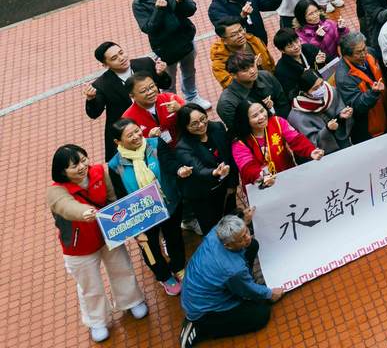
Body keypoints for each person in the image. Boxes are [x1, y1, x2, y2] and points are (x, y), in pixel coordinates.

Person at [48, 144, 148, 343]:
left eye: (83, 160)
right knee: (90, 286)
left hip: (108, 236)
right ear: (62, 171)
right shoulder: (55, 191)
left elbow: (113, 199)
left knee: (122, 269)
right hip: (79, 248)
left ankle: (132, 301)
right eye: (74, 165)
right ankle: (97, 321)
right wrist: (84, 212)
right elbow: (66, 206)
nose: (82, 167)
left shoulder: (100, 172)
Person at [108, 119, 185, 295]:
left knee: (174, 238)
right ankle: (164, 276)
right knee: (149, 247)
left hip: (169, 204)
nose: (137, 136)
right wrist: (134, 227)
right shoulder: (114, 165)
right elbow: (121, 195)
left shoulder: (156, 144)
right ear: (118, 141)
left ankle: (179, 266)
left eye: (137, 130)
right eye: (130, 135)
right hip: (142, 214)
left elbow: (170, 164)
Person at [179, 215, 282, 346]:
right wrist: (270, 294)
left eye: (246, 231)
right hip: (205, 308)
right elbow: (248, 290)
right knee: (261, 314)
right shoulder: (233, 270)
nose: (247, 237)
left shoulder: (217, 231)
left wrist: (244, 219)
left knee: (252, 245)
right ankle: (201, 327)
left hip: (199, 286)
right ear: (228, 245)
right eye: (241, 239)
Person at [86, 42, 174, 160]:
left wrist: (161, 74)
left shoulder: (145, 63)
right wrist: (90, 99)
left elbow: (165, 84)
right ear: (105, 65)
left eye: (121, 53)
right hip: (129, 132)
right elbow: (94, 113)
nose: (121, 58)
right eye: (114, 58)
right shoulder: (101, 85)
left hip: (156, 121)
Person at [132, 0, 202, 105]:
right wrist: (158, 10)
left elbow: (192, 9)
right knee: (169, 81)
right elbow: (148, 28)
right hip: (165, 48)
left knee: (189, 71)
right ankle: (172, 104)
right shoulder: (139, 3)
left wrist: (182, 1)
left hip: (186, 39)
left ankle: (192, 97)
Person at [173, 103, 239, 234]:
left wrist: (232, 184)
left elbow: (229, 156)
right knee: (213, 229)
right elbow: (198, 169)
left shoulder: (217, 128)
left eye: (203, 119)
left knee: (232, 221)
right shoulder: (183, 147)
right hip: (204, 195)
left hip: (226, 186)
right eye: (194, 124)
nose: (201, 125)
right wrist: (215, 172)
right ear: (185, 126)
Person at [231, 101, 322, 187]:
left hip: (287, 176)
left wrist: (311, 151)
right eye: (255, 116)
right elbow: (247, 167)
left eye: (262, 111)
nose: (262, 116)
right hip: (261, 185)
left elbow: (296, 140)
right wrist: (262, 176)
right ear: (245, 120)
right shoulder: (240, 143)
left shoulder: (277, 122)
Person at [334, 31, 387, 143]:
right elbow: (356, 106)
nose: (364, 53)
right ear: (346, 55)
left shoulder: (371, 53)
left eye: (364, 48)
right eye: (359, 52)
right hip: (370, 128)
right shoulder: (343, 77)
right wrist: (373, 93)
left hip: (386, 111)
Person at [287, 69, 354, 155]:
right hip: (326, 156)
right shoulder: (297, 116)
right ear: (305, 93)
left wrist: (341, 117)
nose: (321, 89)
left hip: (346, 146)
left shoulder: (331, 92)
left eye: (322, 83)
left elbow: (341, 114)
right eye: (315, 88)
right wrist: (327, 130)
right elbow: (312, 144)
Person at [216, 51, 286, 130]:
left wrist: (279, 124)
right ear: (233, 75)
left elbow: (283, 103)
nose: (252, 71)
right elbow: (239, 130)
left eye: (252, 65)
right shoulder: (227, 103)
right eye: (245, 70)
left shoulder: (266, 76)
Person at [121, 71, 187, 146]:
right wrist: (150, 139)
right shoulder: (128, 118)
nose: (150, 92)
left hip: (182, 145)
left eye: (152, 86)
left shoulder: (170, 98)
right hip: (155, 151)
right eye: (143, 91)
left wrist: (180, 109)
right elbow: (130, 146)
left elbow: (192, 118)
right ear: (132, 96)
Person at [210, 19, 274, 89]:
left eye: (240, 30)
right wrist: (254, 67)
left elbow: (270, 63)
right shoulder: (219, 63)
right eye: (234, 35)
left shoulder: (254, 41)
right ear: (224, 40)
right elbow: (231, 86)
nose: (240, 35)